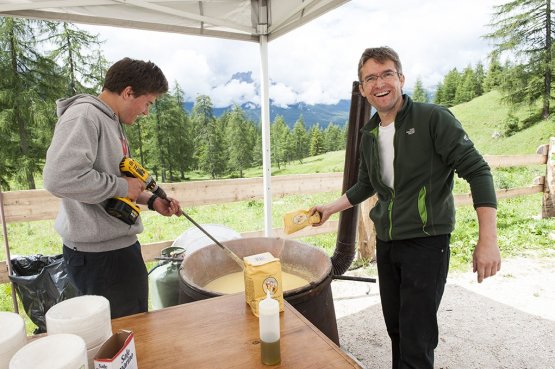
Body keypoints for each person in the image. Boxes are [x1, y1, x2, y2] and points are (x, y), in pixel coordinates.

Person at [310, 47, 501, 369]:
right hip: (387, 241)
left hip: (426, 241)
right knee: (396, 328)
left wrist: (488, 240)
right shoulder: (369, 133)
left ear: (401, 78)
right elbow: (366, 184)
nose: (379, 83)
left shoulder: (432, 118)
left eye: (386, 74)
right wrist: (330, 207)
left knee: (417, 336)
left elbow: (478, 171)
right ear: (362, 89)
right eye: (370, 77)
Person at [43, 57, 181, 319]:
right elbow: (58, 178)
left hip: (117, 249)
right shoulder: (84, 116)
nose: (146, 112)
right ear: (129, 92)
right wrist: (120, 185)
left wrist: (152, 201)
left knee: (135, 328)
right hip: (100, 259)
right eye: (148, 103)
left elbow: (116, 183)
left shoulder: (110, 120)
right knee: (121, 336)